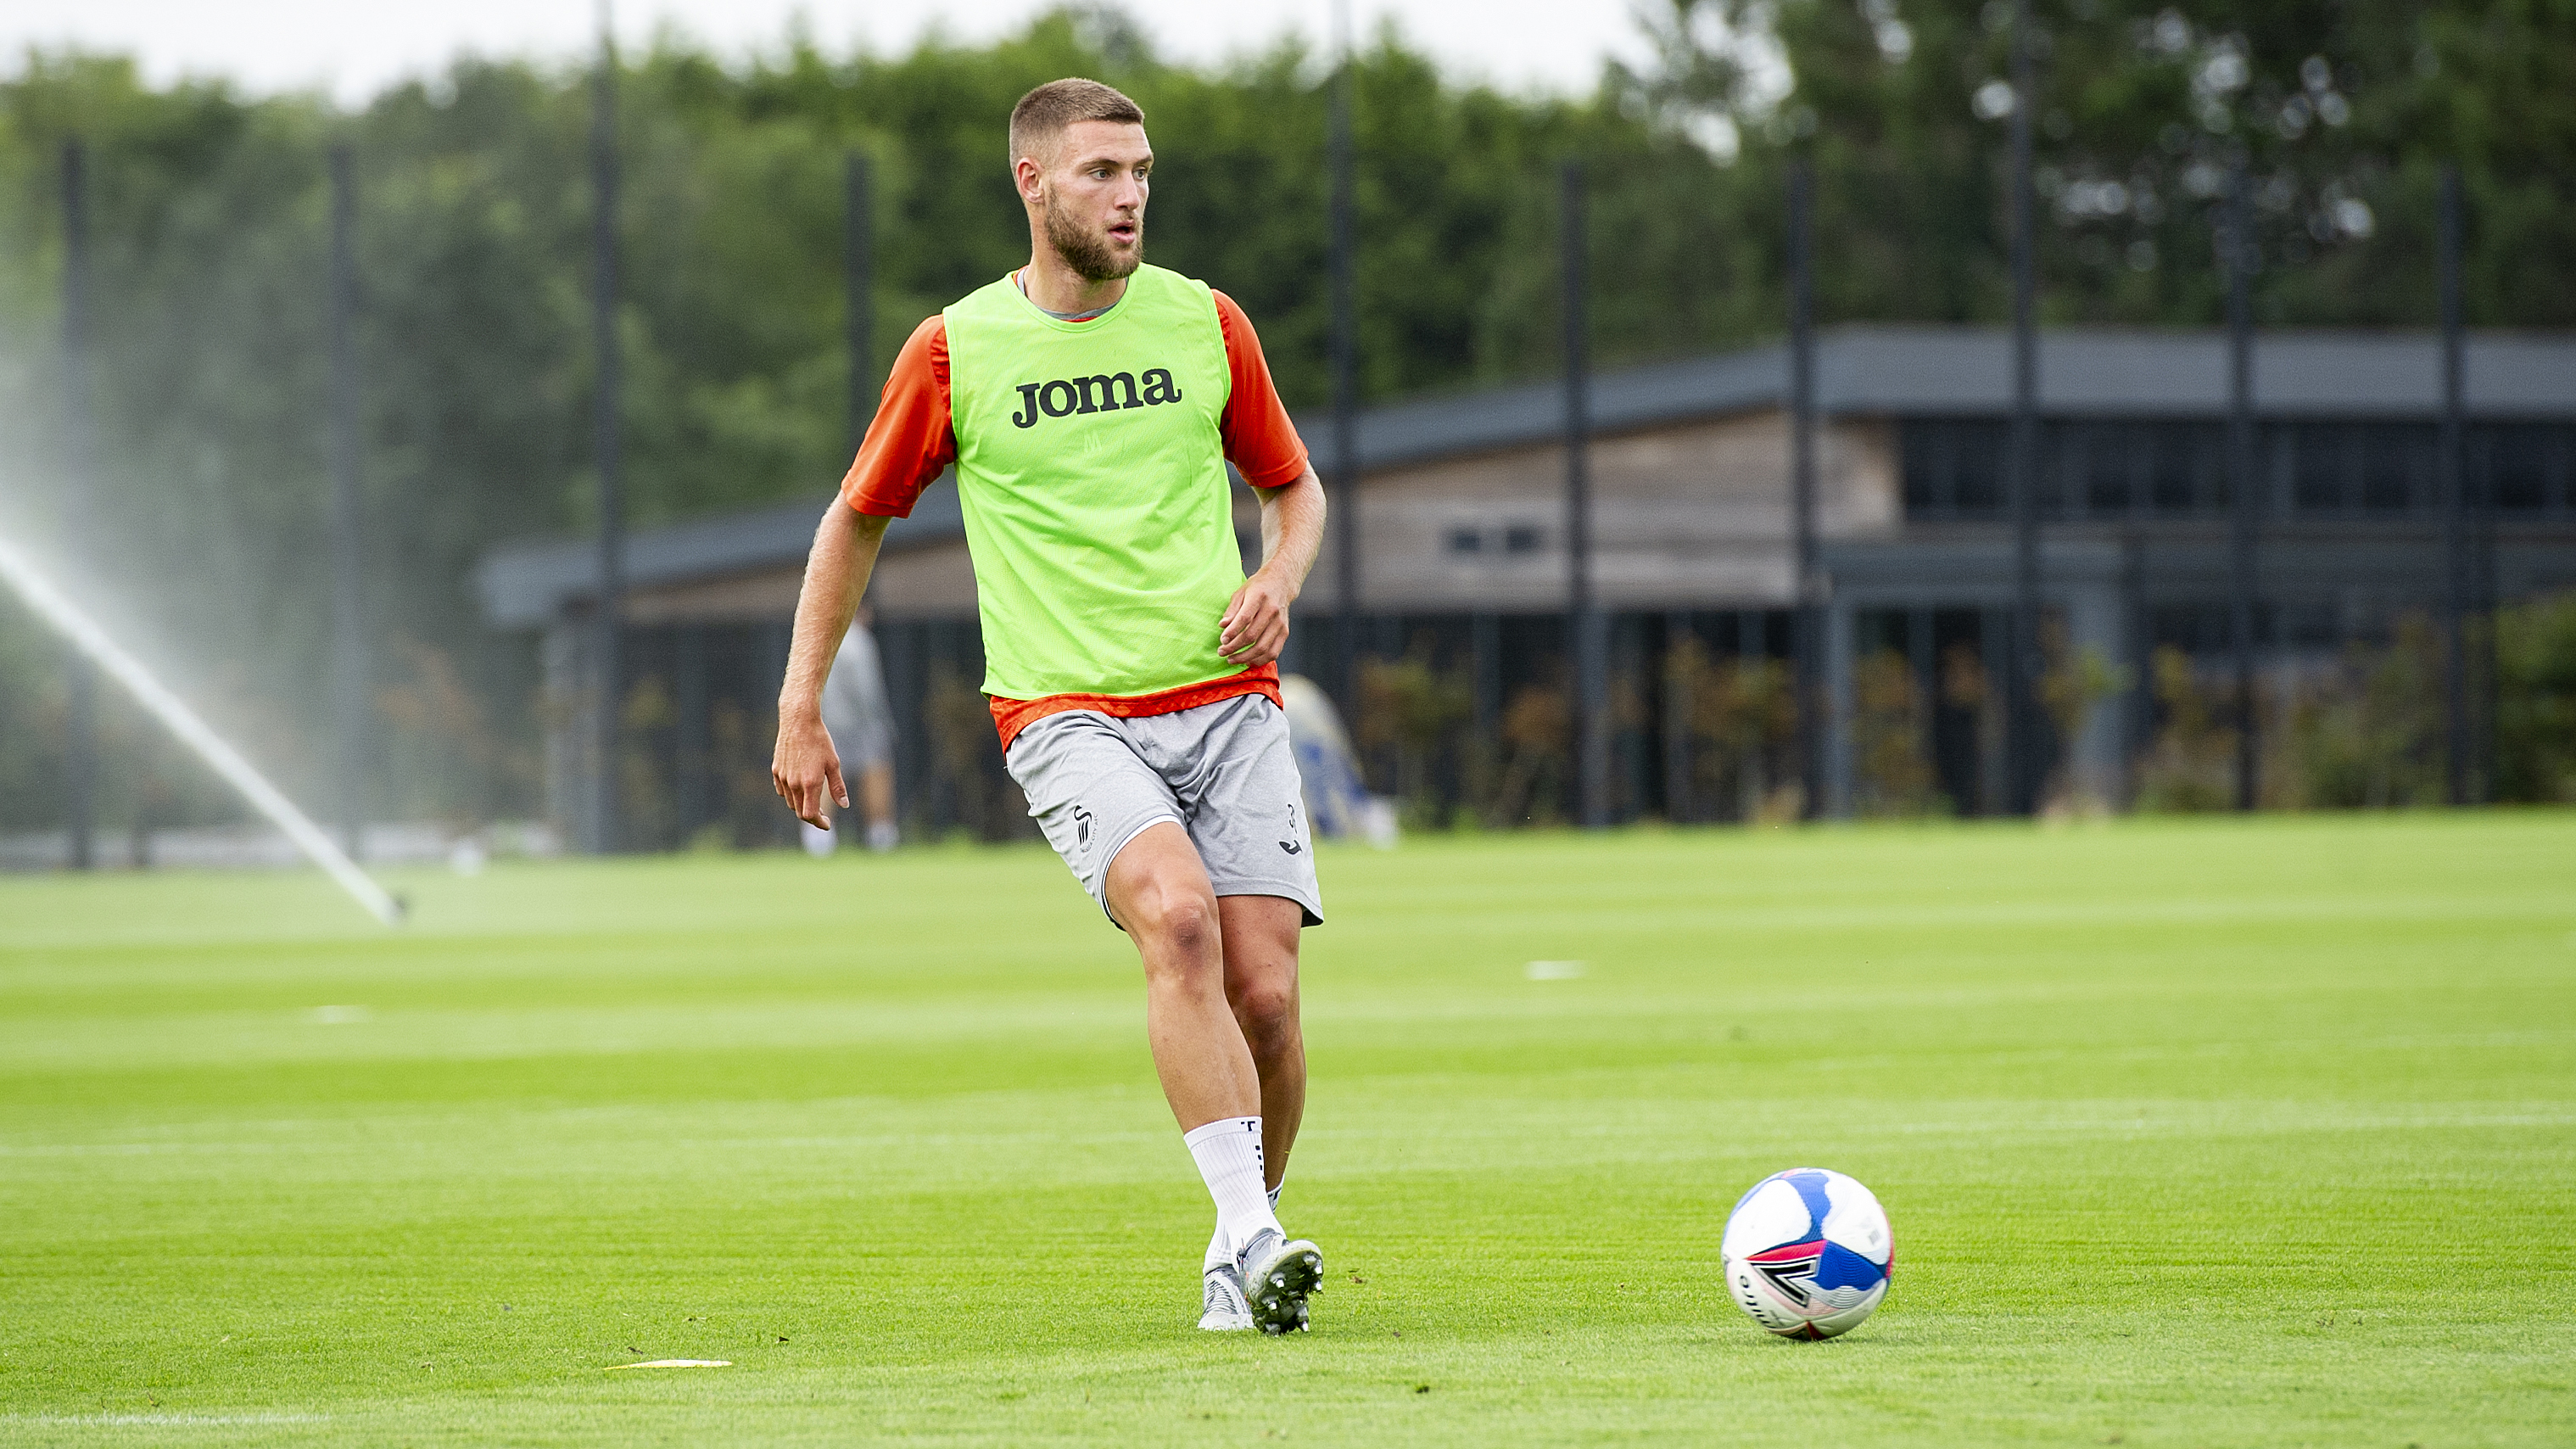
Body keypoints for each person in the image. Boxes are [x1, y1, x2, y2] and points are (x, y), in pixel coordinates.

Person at [771, 77, 1331, 1334]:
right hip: (1067, 715)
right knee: (1178, 926)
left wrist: (1278, 578)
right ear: (1032, 183)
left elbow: (1296, 492)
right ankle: (1252, 1234)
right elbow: (855, 518)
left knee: (1270, 1003)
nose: (1129, 196)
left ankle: (1242, 1237)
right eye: (1099, 174)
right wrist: (800, 704)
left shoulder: (1208, 324)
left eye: (1139, 173)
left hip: (1233, 704)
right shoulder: (955, 349)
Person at [799, 606, 900, 856]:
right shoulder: (858, 639)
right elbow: (867, 690)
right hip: (859, 722)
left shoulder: (820, 639)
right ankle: (881, 834)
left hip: (826, 721)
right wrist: (880, 723)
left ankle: (818, 838)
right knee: (875, 771)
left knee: (825, 775)